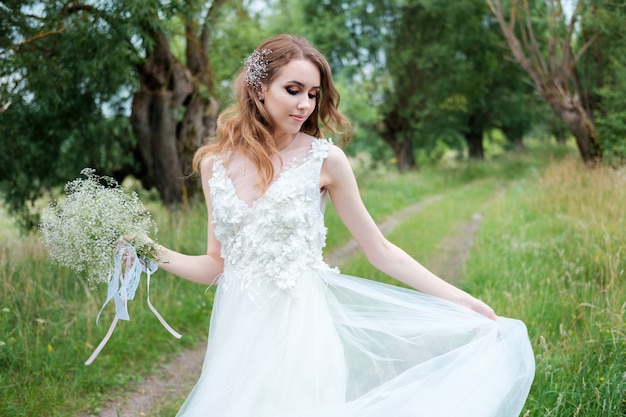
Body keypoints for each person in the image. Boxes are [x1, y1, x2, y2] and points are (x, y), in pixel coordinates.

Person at [155, 34, 535, 417]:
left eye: (314, 94)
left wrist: (462, 301)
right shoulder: (214, 166)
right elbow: (217, 265)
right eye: (293, 90)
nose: (305, 104)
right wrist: (151, 252)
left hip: (301, 333)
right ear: (258, 90)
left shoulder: (325, 161)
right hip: (237, 339)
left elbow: (381, 251)